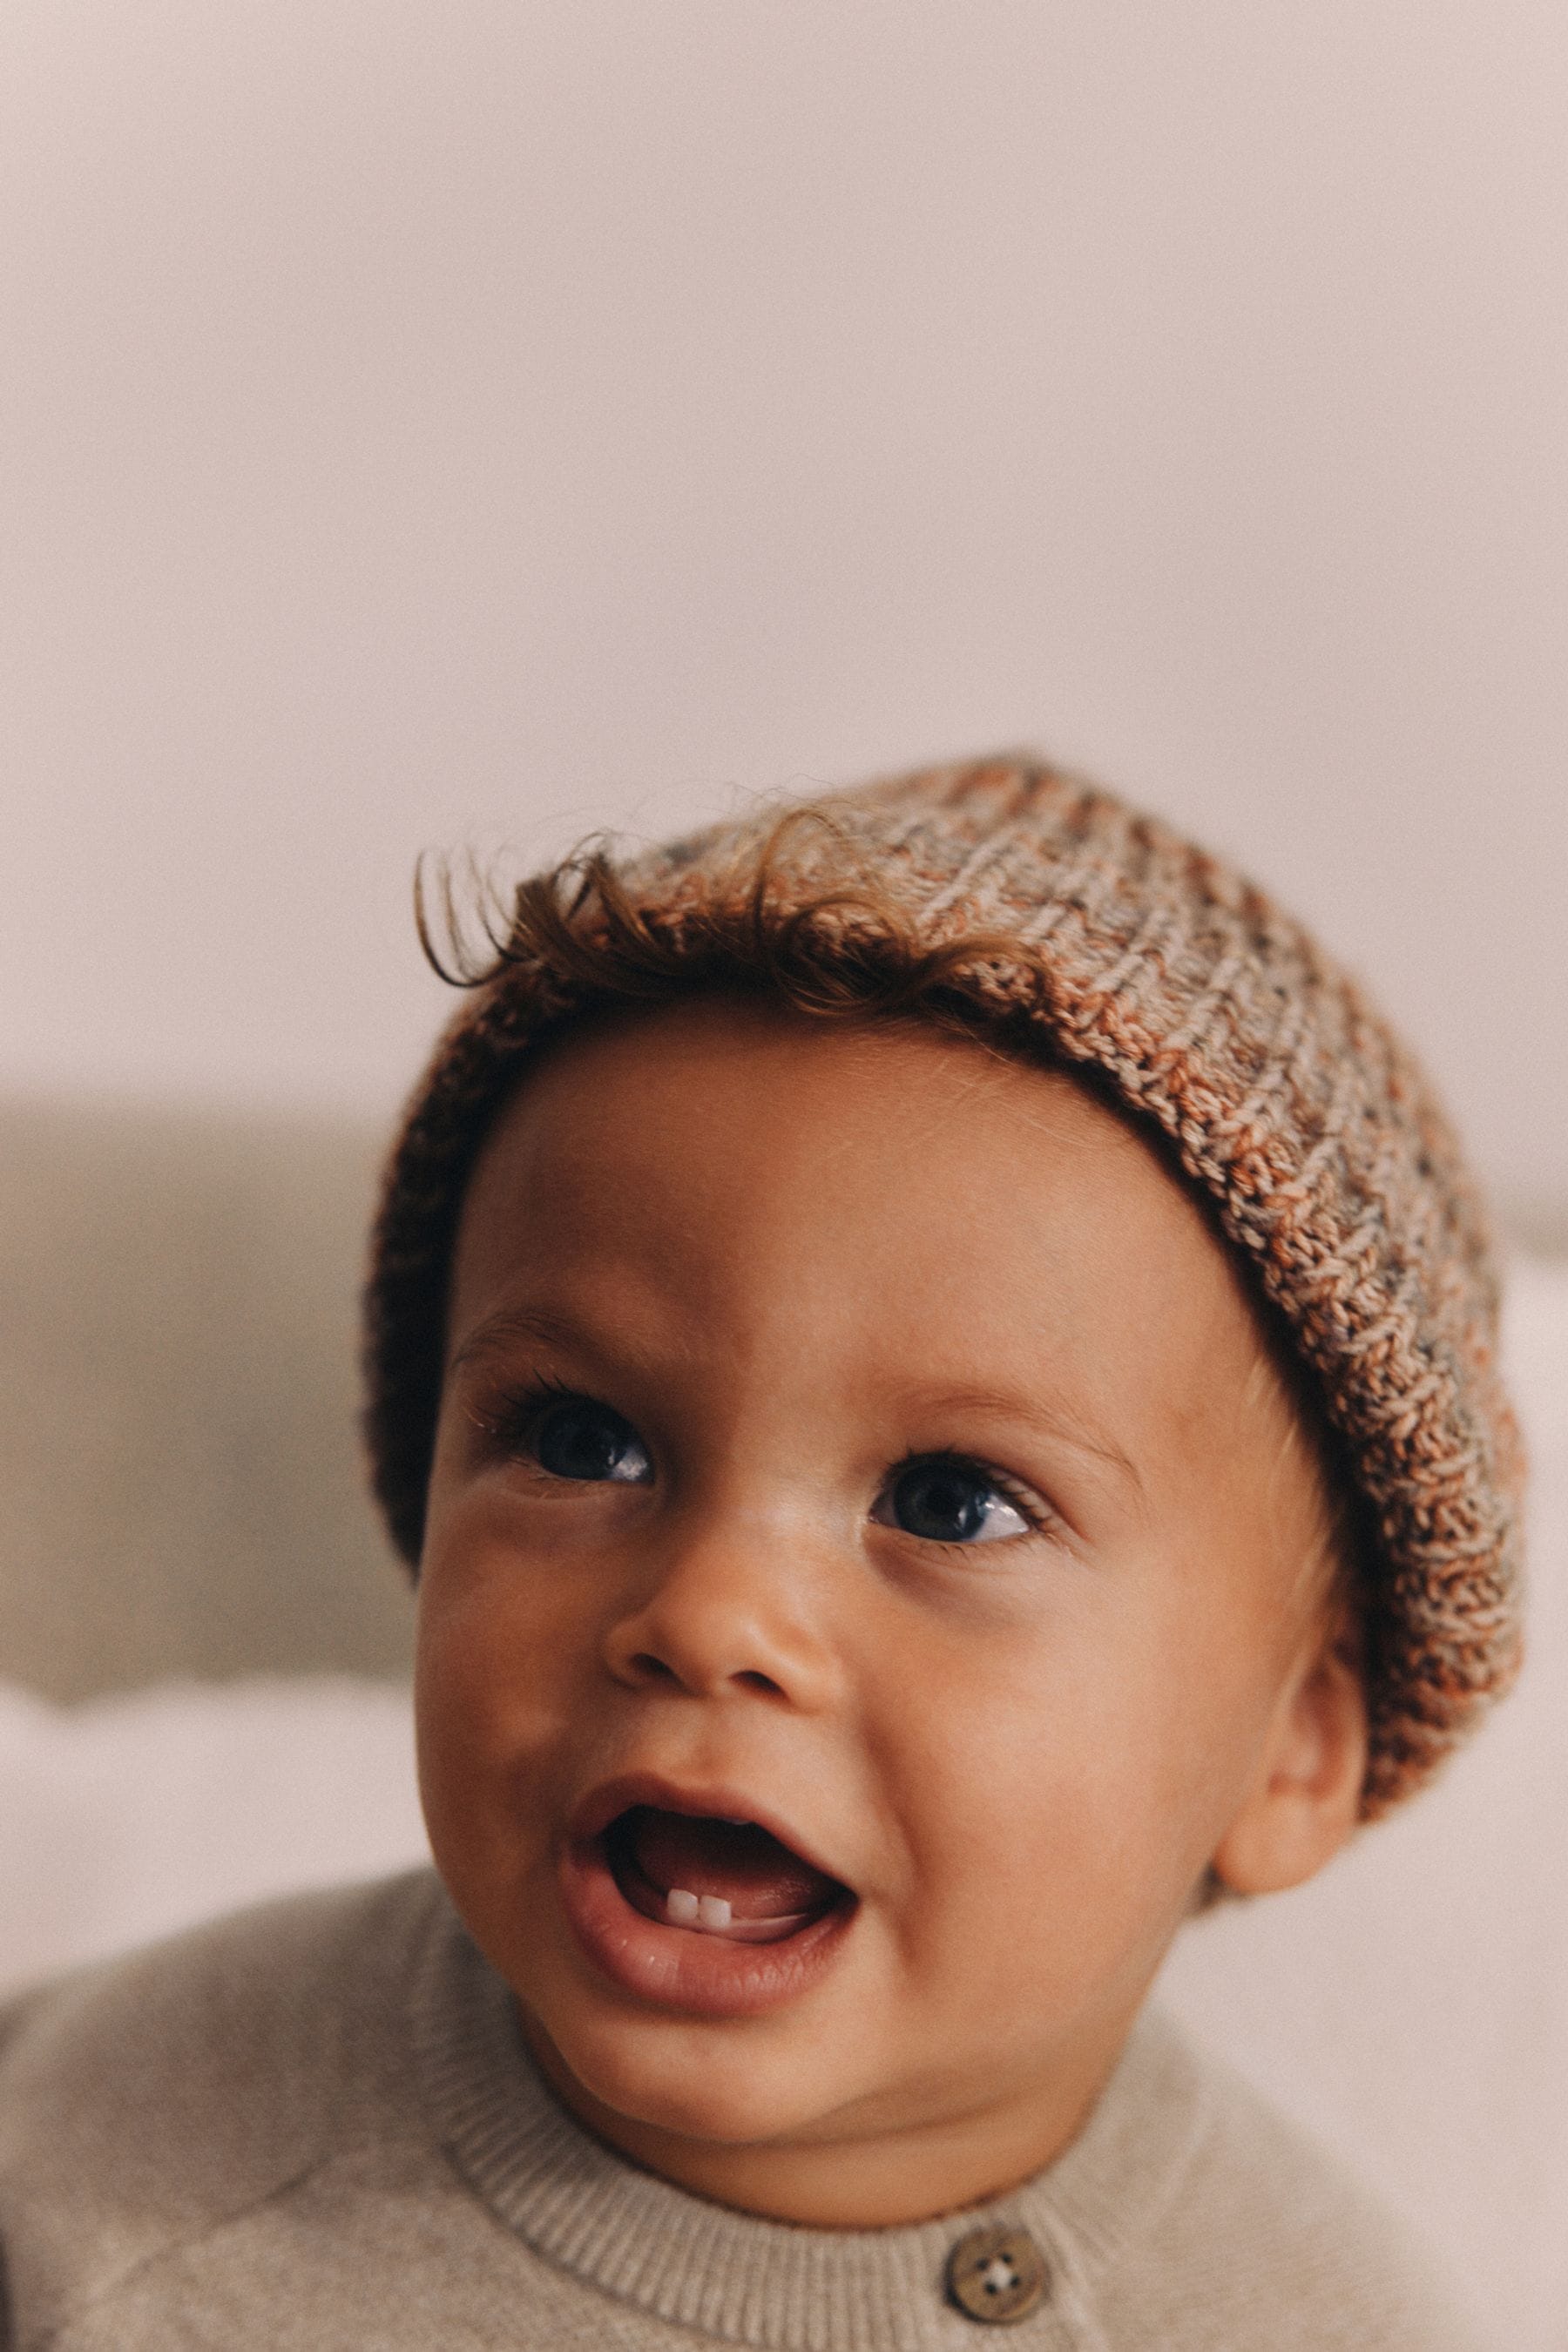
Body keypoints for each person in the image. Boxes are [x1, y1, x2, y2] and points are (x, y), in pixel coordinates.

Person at [0, 755, 1522, 2349]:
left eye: (950, 1503)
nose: (710, 1610)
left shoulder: (1335, 2317)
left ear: (1297, 1745)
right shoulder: (110, 2189)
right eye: (587, 1443)